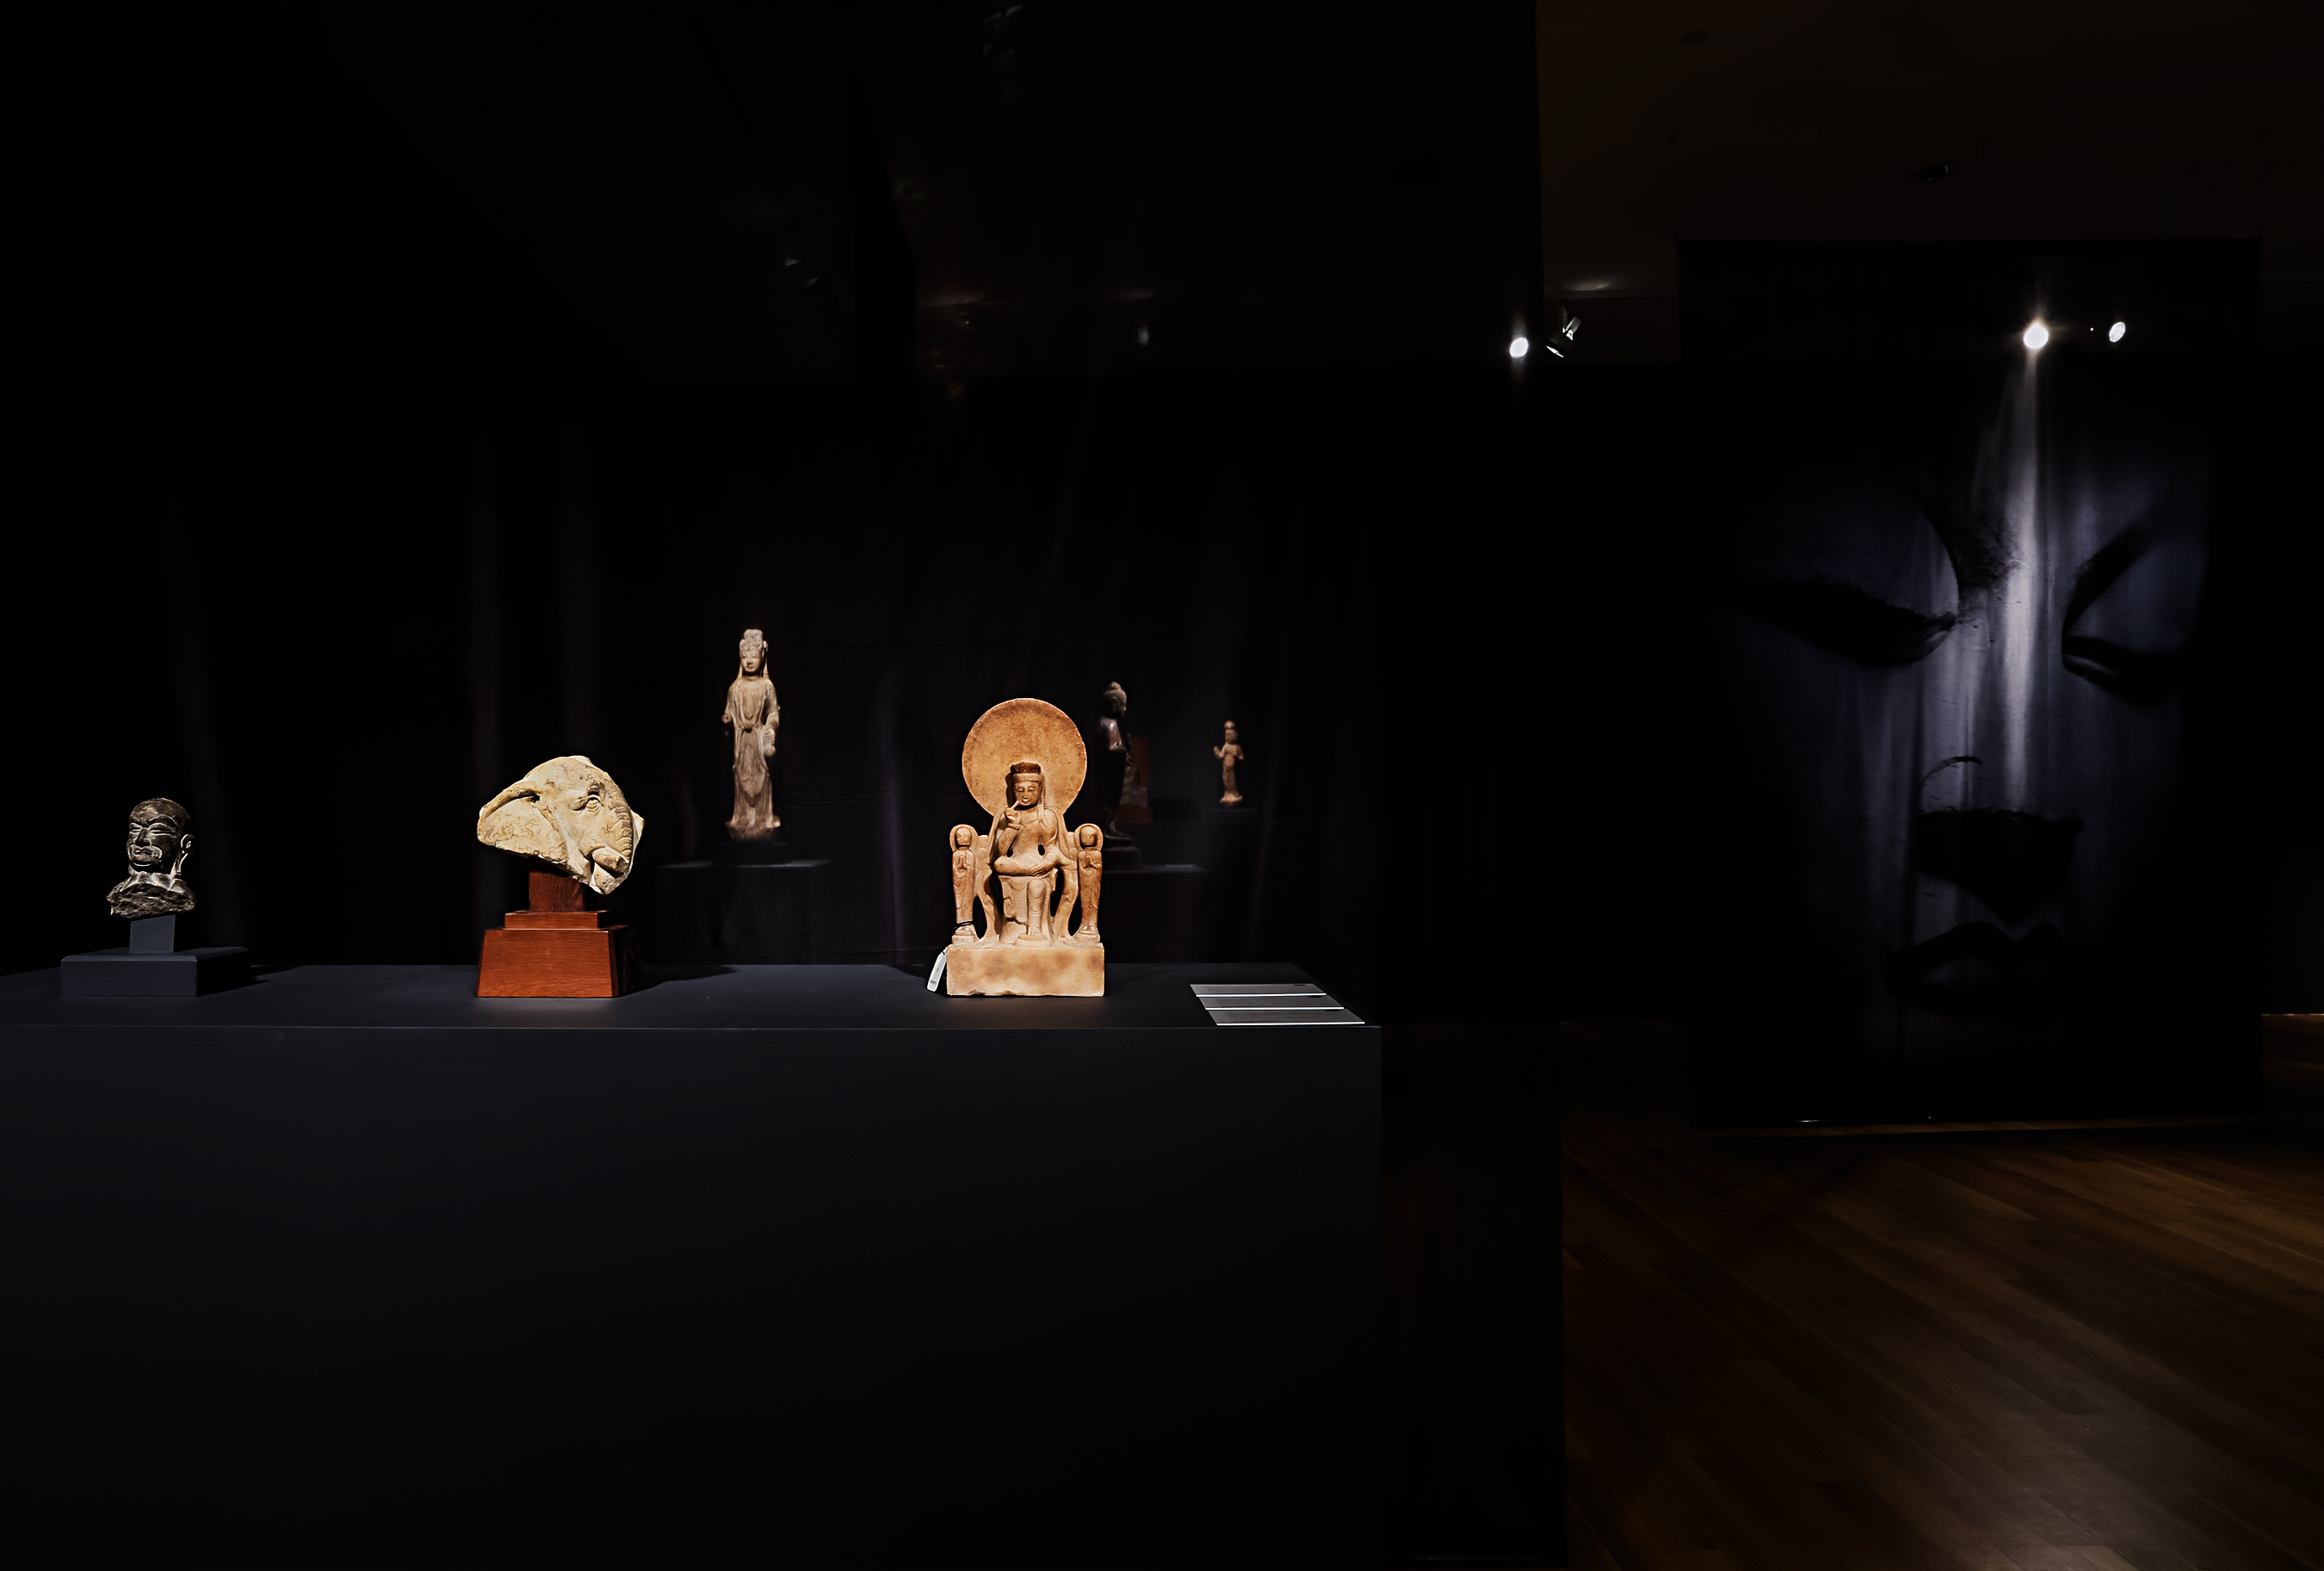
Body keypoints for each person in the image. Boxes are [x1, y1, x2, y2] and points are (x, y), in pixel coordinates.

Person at [722, 628, 781, 839]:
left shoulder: (767, 686)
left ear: (762, 657)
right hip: (742, 743)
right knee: (741, 778)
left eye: (753, 657)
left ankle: (763, 818)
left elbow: (773, 713)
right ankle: (743, 818)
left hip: (758, 741)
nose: (748, 661)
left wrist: (770, 728)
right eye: (744, 657)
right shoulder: (735, 688)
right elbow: (729, 712)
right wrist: (728, 721)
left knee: (762, 779)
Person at [108, 798, 195, 918]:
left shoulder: (180, 896)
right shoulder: (118, 893)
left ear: (185, 844)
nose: (141, 839)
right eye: (135, 829)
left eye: (157, 830)